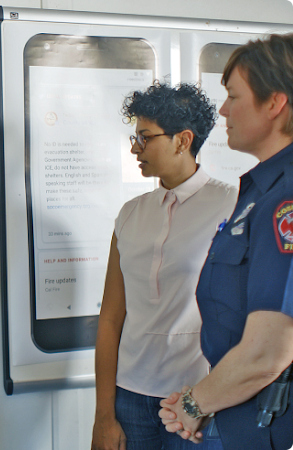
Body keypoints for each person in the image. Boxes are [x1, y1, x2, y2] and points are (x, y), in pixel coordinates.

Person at [159, 34, 293, 450]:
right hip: (242, 413)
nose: (223, 110)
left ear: (274, 103)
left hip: (272, 420)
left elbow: (266, 354)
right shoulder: (260, 191)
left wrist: (194, 405)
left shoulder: (286, 200)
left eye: (233, 96)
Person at [91, 82, 238, 450]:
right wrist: (103, 416)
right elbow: (110, 318)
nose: (134, 148)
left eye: (145, 137)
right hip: (129, 399)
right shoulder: (131, 213)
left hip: (197, 399)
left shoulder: (231, 205)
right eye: (134, 136)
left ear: (182, 140)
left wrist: (214, 396)